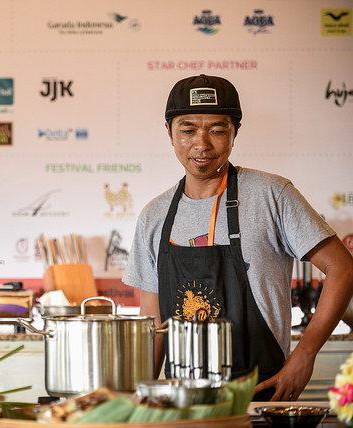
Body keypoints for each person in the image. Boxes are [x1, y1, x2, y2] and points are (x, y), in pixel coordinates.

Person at [122, 74, 353, 401]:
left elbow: (342, 269)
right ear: (169, 133)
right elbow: (155, 321)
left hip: (263, 395)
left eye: (217, 130)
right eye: (187, 130)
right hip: (182, 405)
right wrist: (140, 399)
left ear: (235, 132)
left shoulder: (272, 194)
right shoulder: (153, 216)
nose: (201, 144)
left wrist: (305, 354)